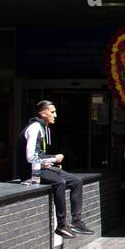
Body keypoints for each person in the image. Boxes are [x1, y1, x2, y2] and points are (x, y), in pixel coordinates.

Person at [23, 100, 90, 238]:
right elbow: (30, 157)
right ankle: (61, 225)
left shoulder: (44, 128)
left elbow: (38, 156)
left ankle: (76, 222)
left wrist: (46, 162)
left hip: (41, 167)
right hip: (32, 172)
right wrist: (54, 158)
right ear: (43, 113)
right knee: (60, 182)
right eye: (52, 112)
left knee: (76, 181)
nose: (56, 115)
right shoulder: (35, 128)